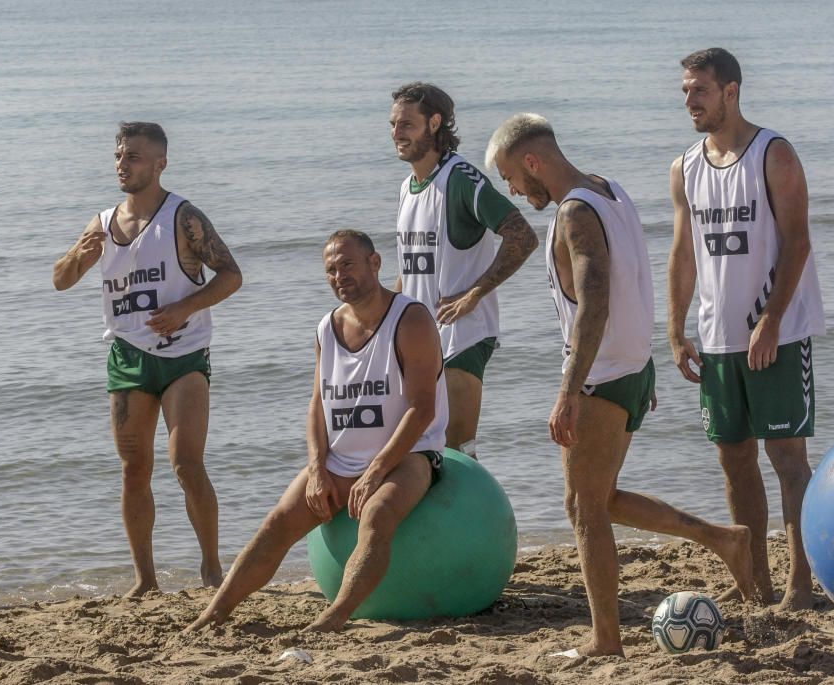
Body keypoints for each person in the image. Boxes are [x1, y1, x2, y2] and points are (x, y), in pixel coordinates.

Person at [486, 114, 756, 657]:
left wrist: (569, 390)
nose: (513, 190)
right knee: (598, 498)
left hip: (602, 379)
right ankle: (723, 538)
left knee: (584, 510)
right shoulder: (610, 190)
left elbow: (596, 303)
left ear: (532, 162)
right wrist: (645, 359)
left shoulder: (574, 215)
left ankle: (606, 640)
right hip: (631, 370)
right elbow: (639, 279)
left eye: (511, 178)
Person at [187, 230, 448, 633]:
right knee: (276, 523)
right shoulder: (327, 327)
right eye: (330, 269)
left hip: (406, 458)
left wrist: (377, 471)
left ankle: (335, 615)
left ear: (375, 263)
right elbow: (317, 404)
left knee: (376, 515)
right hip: (339, 461)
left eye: (348, 264)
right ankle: (214, 613)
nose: (339, 275)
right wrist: (316, 468)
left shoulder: (409, 318)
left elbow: (422, 408)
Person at [52, 122, 243, 596]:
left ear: (160, 163)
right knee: (134, 469)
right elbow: (60, 279)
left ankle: (212, 569)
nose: (123, 163)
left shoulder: (183, 217)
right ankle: (145, 580)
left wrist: (185, 307)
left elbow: (231, 275)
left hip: (184, 357)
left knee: (185, 464)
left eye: (134, 156)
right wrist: (80, 255)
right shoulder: (103, 223)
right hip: (127, 356)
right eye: (119, 155)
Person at [668, 48, 826, 610]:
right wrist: (676, 327)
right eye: (686, 90)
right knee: (734, 460)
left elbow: (799, 241)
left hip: (776, 335)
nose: (689, 101)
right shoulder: (685, 165)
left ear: (730, 91)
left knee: (787, 462)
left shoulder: (773, 154)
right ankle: (756, 583)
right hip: (716, 341)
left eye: (699, 90)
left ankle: (800, 584)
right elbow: (684, 251)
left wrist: (772, 319)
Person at [390, 82, 538, 458]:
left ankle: (491, 519)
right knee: (422, 450)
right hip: (420, 339)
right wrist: (386, 322)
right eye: (393, 125)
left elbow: (522, 235)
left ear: (434, 123)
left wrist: (475, 294)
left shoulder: (460, 179)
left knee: (458, 452)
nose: (396, 133)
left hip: (462, 337)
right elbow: (410, 268)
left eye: (407, 124)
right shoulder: (408, 188)